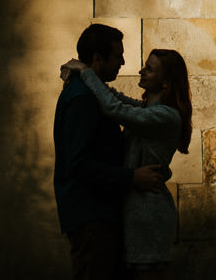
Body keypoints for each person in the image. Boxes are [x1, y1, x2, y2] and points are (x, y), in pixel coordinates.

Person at [61, 48, 193, 280]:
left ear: (166, 82)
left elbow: (114, 108)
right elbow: (115, 98)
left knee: (150, 273)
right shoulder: (147, 110)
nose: (141, 71)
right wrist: (87, 74)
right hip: (136, 207)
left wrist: (85, 71)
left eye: (150, 69)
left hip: (148, 210)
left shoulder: (166, 116)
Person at [53, 24, 166, 280]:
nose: (123, 62)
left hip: (98, 212)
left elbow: (127, 106)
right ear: (97, 58)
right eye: (118, 56)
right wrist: (132, 177)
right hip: (92, 214)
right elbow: (79, 164)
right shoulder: (83, 98)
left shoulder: (92, 93)